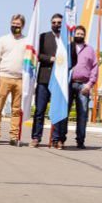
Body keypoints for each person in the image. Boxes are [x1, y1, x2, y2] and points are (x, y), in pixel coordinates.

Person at [0, 14, 26, 146]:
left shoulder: (26, 41)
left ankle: (14, 136)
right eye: (14, 24)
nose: (15, 26)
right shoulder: (3, 40)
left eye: (18, 24)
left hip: (20, 79)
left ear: (22, 26)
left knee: (16, 110)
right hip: (3, 77)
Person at [30, 13, 62, 148]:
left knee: (57, 111)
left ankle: (56, 139)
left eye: (59, 22)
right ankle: (36, 137)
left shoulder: (67, 39)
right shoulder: (43, 37)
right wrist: (50, 59)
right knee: (40, 110)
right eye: (54, 22)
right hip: (44, 79)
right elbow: (37, 55)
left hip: (59, 81)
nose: (56, 24)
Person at [68, 25, 98, 149]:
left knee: (83, 114)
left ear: (84, 35)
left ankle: (80, 140)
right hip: (69, 84)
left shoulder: (90, 50)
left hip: (83, 86)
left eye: (81, 34)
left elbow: (95, 68)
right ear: (74, 34)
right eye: (77, 33)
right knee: (64, 112)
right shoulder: (69, 48)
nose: (79, 35)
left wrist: (89, 84)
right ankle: (60, 139)